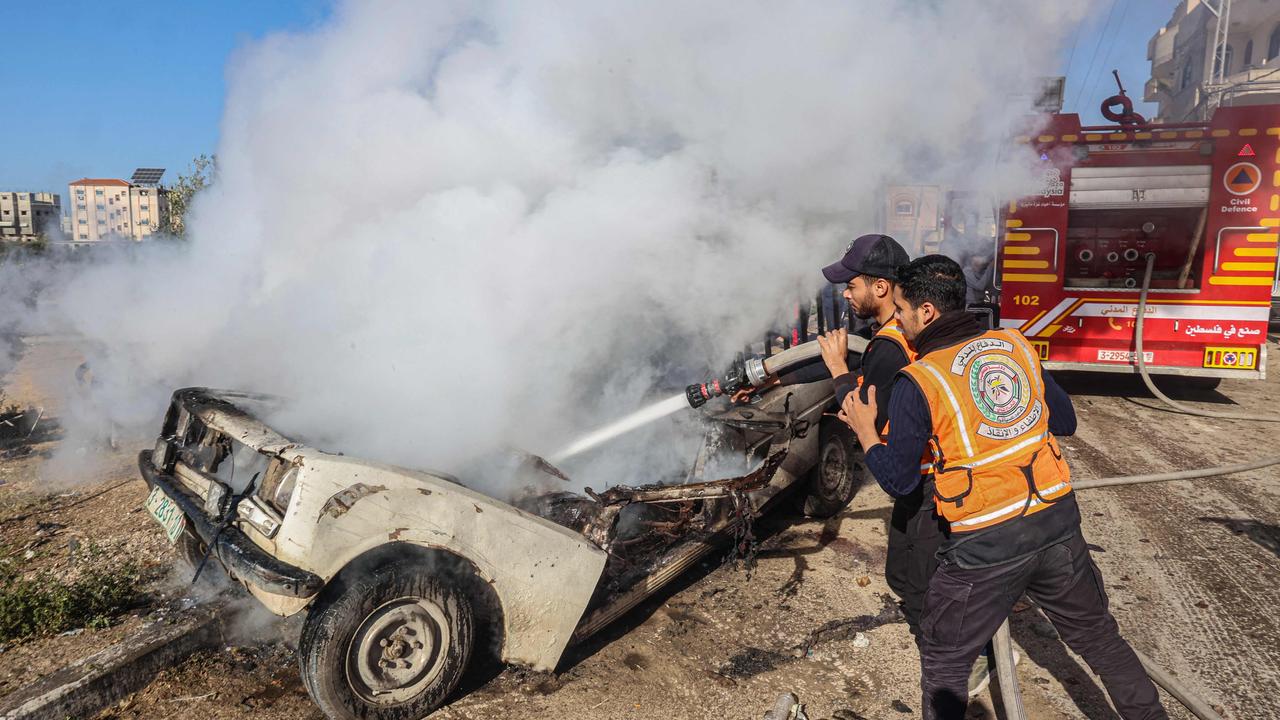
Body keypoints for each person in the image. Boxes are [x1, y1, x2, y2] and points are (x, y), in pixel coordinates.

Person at [839, 255, 1166, 720]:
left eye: (904, 311)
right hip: (1056, 524)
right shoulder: (1014, 344)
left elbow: (900, 480)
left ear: (927, 312)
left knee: (946, 660)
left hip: (984, 544)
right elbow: (1066, 420)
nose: (901, 320)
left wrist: (867, 431)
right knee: (1098, 637)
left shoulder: (921, 379)